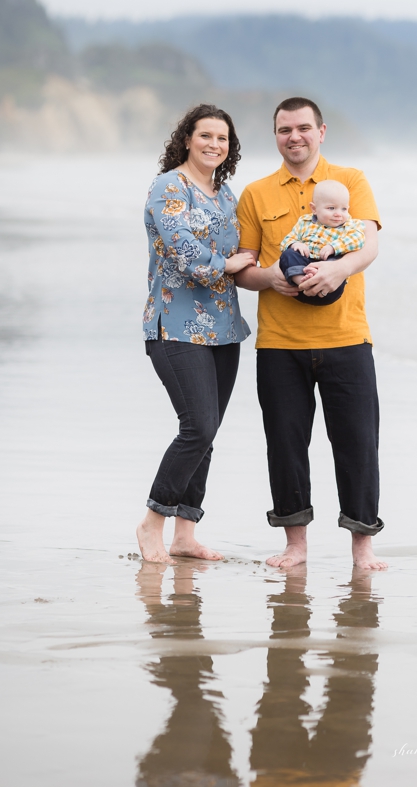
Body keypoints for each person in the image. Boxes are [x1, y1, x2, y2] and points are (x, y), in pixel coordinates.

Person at [232, 97, 388, 570]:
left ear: (321, 132)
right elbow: (244, 269)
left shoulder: (351, 181)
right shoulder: (256, 194)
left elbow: (369, 243)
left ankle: (363, 548)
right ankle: (294, 547)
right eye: (284, 129)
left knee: (358, 443)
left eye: (303, 127)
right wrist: (272, 277)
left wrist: (338, 271)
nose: (293, 136)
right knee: (284, 442)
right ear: (275, 135)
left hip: (347, 337)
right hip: (280, 342)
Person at [136, 104, 256, 563]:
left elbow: (248, 249)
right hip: (175, 326)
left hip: (224, 330)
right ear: (187, 138)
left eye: (222, 138)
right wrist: (224, 266)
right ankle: (152, 524)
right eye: (205, 135)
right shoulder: (169, 185)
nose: (214, 144)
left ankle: (186, 534)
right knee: (197, 426)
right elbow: (180, 244)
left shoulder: (227, 195)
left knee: (209, 433)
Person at [275, 178, 364, 306]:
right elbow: (286, 241)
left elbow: (358, 240)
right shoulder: (304, 222)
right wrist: (296, 244)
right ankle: (304, 282)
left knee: (337, 261)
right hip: (303, 271)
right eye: (331, 208)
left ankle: (315, 280)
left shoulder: (350, 225)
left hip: (329, 283)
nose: (338, 214)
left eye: (344, 209)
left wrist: (334, 247)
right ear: (314, 208)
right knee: (288, 254)